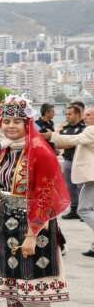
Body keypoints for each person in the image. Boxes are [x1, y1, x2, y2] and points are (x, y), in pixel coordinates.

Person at [0, 94, 70, 307]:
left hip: (34, 226)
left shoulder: (38, 149)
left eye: (17, 120)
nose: (11, 125)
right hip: (7, 224)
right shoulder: (6, 149)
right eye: (6, 120)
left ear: (27, 122)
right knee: (15, 284)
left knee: (34, 283)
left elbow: (45, 194)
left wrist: (32, 233)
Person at [50, 104, 94, 256]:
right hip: (89, 178)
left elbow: (74, 139)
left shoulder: (91, 130)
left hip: (91, 177)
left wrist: (53, 135)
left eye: (88, 115)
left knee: (83, 209)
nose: (85, 117)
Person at [56, 102, 86, 220]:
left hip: (80, 161)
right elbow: (58, 143)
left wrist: (64, 143)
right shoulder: (65, 128)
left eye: (70, 114)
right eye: (66, 114)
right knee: (69, 186)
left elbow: (75, 143)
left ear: (77, 115)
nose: (67, 116)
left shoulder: (84, 128)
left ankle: (84, 210)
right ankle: (74, 209)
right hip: (68, 160)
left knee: (81, 187)